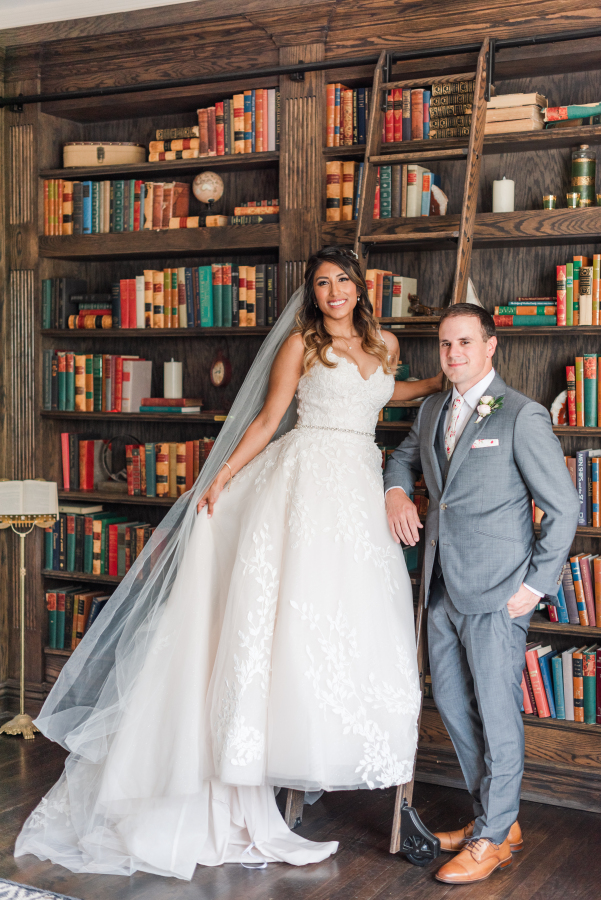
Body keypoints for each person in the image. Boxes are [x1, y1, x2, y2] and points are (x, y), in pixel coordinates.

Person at [16, 246, 442, 880]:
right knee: (290, 614)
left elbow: (381, 395)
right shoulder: (301, 344)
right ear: (312, 292)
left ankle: (323, 741)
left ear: (360, 287)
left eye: (342, 282)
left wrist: (433, 384)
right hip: (306, 482)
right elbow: (270, 419)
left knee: (346, 621)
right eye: (321, 283)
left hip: (357, 489)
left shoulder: (383, 346)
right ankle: (251, 758)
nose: (332, 293)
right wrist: (221, 478)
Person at [384, 303, 579, 886]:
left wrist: (535, 585)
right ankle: (496, 820)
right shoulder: (432, 409)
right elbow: (401, 458)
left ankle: (493, 837)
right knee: (449, 700)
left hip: (499, 592)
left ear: (490, 346)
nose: (454, 355)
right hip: (441, 587)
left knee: (497, 713)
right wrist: (396, 493)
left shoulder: (522, 415)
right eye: (446, 345)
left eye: (465, 343)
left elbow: (565, 508)